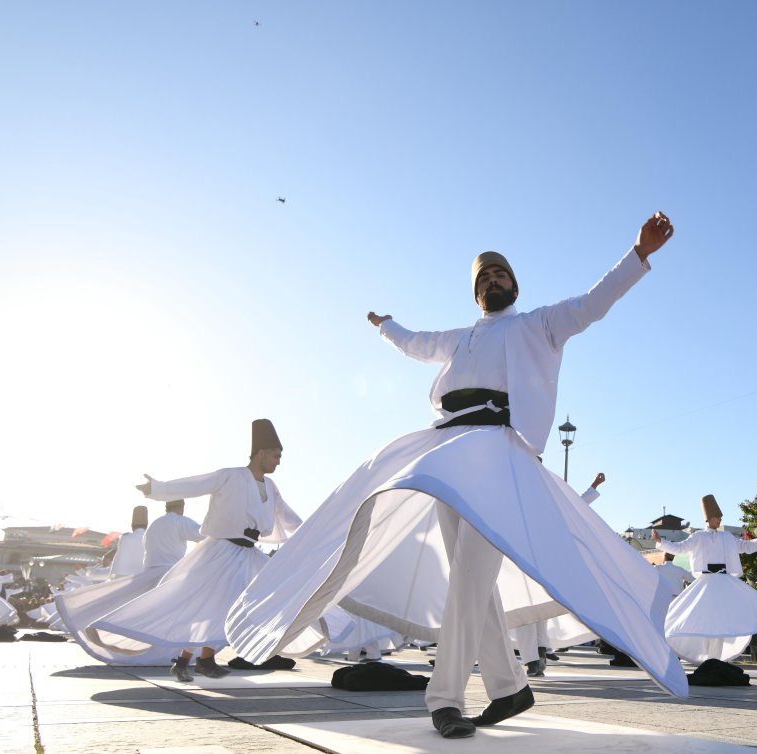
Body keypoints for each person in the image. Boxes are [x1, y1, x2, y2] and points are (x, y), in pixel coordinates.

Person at [225, 213, 685, 740]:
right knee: (472, 581)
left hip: (499, 455)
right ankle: (509, 685)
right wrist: (385, 327)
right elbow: (415, 342)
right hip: (447, 454)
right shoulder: (460, 338)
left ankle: (443, 698)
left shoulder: (541, 325)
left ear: (515, 284)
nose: (492, 280)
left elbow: (592, 304)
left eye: (500, 274)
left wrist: (638, 253)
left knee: (469, 578)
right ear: (475, 293)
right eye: (483, 277)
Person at [89, 419, 308, 682]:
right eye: (276, 455)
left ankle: (202, 659)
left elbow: (288, 516)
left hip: (248, 554)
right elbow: (196, 485)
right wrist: (158, 489)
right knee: (205, 603)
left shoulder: (271, 487)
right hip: (221, 550)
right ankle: (188, 660)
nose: (279, 461)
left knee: (242, 601)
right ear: (261, 453)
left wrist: (316, 531)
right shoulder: (230, 475)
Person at [652, 494, 757, 664]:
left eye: (720, 517)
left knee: (724, 618)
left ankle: (717, 659)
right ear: (709, 518)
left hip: (724, 581)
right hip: (706, 583)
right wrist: (661, 542)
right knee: (704, 618)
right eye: (717, 517)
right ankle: (709, 659)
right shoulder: (698, 536)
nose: (720, 520)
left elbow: (745, 546)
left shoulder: (727, 537)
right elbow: (680, 548)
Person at [56, 501, 202, 665]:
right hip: (170, 574)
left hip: (149, 574)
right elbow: (203, 533)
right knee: (175, 614)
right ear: (181, 507)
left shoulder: (152, 526)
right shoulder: (180, 521)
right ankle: (171, 650)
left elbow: (121, 566)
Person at [518, 471, 606, 678]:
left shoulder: (542, 500)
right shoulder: (525, 497)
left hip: (538, 562)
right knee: (533, 612)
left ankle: (535, 658)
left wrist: (594, 486)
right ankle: (537, 656)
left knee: (531, 612)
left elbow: (575, 505)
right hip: (532, 561)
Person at [109, 506, 149, 579]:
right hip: (144, 578)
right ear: (146, 526)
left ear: (132, 526)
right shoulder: (151, 538)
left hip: (122, 578)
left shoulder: (125, 538)